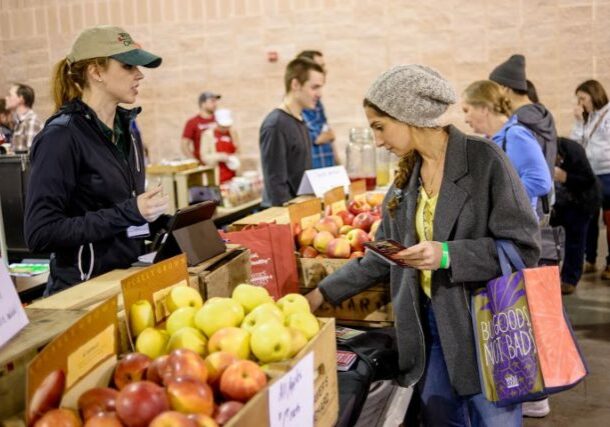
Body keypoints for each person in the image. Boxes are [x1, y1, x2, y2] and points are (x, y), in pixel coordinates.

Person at [306, 64, 540, 426]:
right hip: (427, 329)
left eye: (380, 127)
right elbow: (382, 255)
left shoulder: (484, 161)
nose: (378, 140)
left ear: (408, 114)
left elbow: (524, 249)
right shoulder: (405, 180)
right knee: (439, 417)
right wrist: (320, 295)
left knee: (492, 420)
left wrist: (447, 255)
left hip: (484, 327)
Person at [24, 25, 169, 295]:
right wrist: (131, 212)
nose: (139, 75)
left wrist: (166, 222)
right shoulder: (61, 137)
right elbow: (40, 232)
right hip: (82, 294)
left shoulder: (127, 130)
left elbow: (118, 211)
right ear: (96, 72)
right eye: (128, 66)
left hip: (126, 282)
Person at [528, 80, 600, 295]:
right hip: (560, 203)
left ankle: (570, 279)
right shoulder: (538, 154)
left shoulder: (572, 150)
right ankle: (549, 276)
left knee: (576, 242)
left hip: (582, 201)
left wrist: (565, 176)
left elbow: (587, 180)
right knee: (551, 239)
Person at [462, 80, 552, 213]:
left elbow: (540, 181)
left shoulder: (515, 135)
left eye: (466, 110)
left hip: (517, 227)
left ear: (484, 108)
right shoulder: (489, 140)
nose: (465, 119)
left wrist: (498, 199)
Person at [489, 54, 557, 219]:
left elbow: (534, 177)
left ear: (505, 88)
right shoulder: (543, 114)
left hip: (528, 208)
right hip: (546, 203)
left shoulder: (518, 122)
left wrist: (503, 199)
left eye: (493, 89)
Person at [259, 57, 324, 207]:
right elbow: (276, 185)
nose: (320, 93)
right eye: (314, 87)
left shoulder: (299, 120)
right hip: (283, 216)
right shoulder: (275, 124)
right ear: (295, 84)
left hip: (300, 210)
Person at [570, 80, 610, 279]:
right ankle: (591, 259)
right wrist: (578, 122)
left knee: (609, 219)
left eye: (583, 98)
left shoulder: (608, 115)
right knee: (590, 218)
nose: (581, 103)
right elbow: (578, 145)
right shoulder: (589, 118)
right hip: (592, 174)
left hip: (607, 173)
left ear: (594, 95)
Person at [297, 50, 338, 168]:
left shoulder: (317, 102)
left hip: (327, 166)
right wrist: (324, 137)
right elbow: (315, 138)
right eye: (320, 66)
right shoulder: (299, 103)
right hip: (313, 170)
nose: (324, 71)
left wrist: (339, 165)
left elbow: (328, 133)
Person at [200, 108, 240, 183]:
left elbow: (237, 151)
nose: (225, 129)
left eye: (228, 126)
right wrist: (219, 157)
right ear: (216, 123)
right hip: (217, 176)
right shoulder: (207, 135)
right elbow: (204, 157)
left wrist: (235, 160)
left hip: (232, 174)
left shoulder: (232, 133)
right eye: (223, 126)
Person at [181, 91, 221, 163]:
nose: (215, 104)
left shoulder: (220, 120)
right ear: (203, 104)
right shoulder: (193, 122)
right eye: (212, 101)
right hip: (202, 164)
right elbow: (184, 145)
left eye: (215, 101)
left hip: (219, 164)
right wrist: (194, 161)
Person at [4, 82, 43, 152]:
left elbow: (32, 156)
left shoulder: (31, 122)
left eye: (10, 95)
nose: (6, 98)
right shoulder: (19, 122)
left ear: (21, 99)